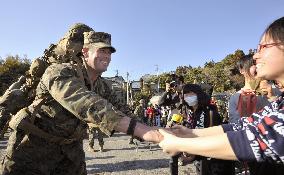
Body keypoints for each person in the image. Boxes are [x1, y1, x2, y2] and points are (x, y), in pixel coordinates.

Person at [1, 24, 162, 175]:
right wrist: (145, 132)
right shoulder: (58, 72)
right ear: (85, 52)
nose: (106, 56)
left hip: (70, 150)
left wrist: (160, 134)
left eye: (109, 52)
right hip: (32, 147)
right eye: (101, 50)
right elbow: (87, 104)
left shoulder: (102, 85)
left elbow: (123, 110)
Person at [158, 16, 284, 168]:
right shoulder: (267, 101)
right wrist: (189, 134)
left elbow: (253, 138)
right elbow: (241, 126)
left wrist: (182, 143)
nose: (256, 56)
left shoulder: (211, 111)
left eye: (264, 47)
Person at [179, 84, 234, 175]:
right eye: (186, 94)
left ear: (199, 94)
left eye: (191, 93)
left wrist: (192, 156)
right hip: (201, 158)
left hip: (215, 161)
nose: (188, 97)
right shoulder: (191, 113)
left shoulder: (209, 111)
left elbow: (212, 139)